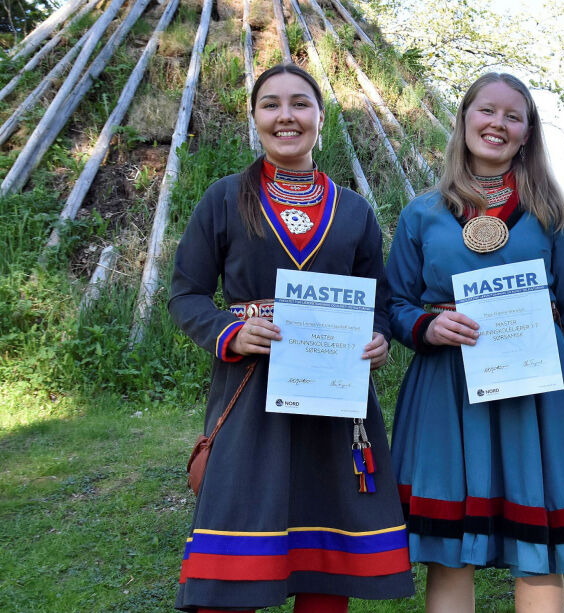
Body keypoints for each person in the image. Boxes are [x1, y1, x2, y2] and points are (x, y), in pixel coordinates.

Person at [169, 64, 413, 612]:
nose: (286, 116)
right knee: (232, 563)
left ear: (320, 119)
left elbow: (378, 302)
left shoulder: (353, 210)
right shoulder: (225, 199)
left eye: (300, 104)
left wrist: (378, 337)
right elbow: (185, 295)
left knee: (327, 560)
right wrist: (230, 332)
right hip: (251, 389)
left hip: (336, 400)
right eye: (271, 104)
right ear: (254, 118)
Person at [385, 72, 564, 612]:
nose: (497, 123)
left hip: (533, 394)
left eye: (512, 116)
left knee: (538, 542)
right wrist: (427, 327)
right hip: (447, 387)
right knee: (450, 547)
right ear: (465, 118)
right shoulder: (421, 213)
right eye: (486, 111)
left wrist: (539, 364)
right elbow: (394, 304)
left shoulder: (552, 213)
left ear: (526, 133)